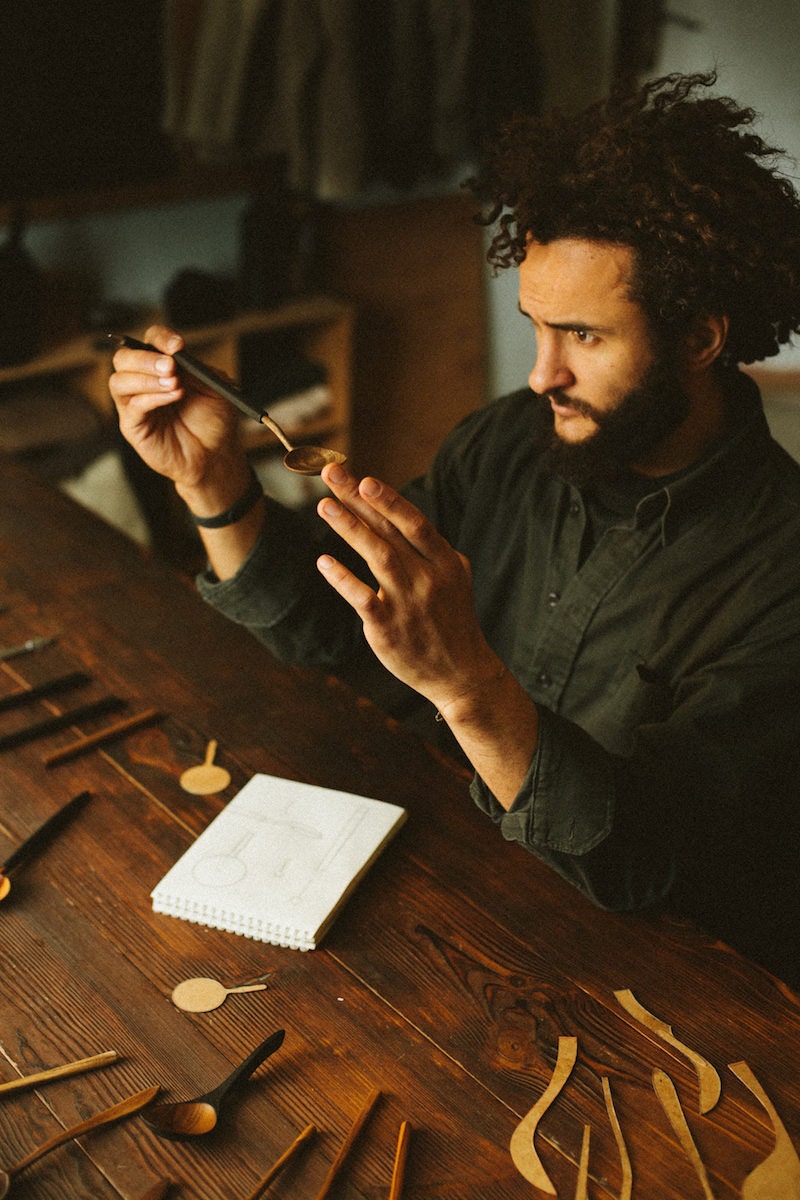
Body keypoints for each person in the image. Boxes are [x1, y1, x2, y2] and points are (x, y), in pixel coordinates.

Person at [110, 72, 800, 987]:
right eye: (533, 327)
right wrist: (216, 486)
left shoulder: (781, 566)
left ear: (701, 338)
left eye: (584, 338)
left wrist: (469, 687)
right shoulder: (512, 440)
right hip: (434, 905)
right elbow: (341, 636)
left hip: (644, 981)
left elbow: (644, 861)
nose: (543, 375)